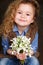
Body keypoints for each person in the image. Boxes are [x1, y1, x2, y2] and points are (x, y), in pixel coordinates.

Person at [0, 0, 40, 65]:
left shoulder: (34, 31)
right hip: (11, 58)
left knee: (34, 61)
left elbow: (34, 49)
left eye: (27, 14)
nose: (23, 16)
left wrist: (24, 54)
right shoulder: (7, 29)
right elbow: (6, 49)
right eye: (19, 12)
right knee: (2, 62)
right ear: (13, 14)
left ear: (32, 19)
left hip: (27, 58)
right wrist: (16, 53)